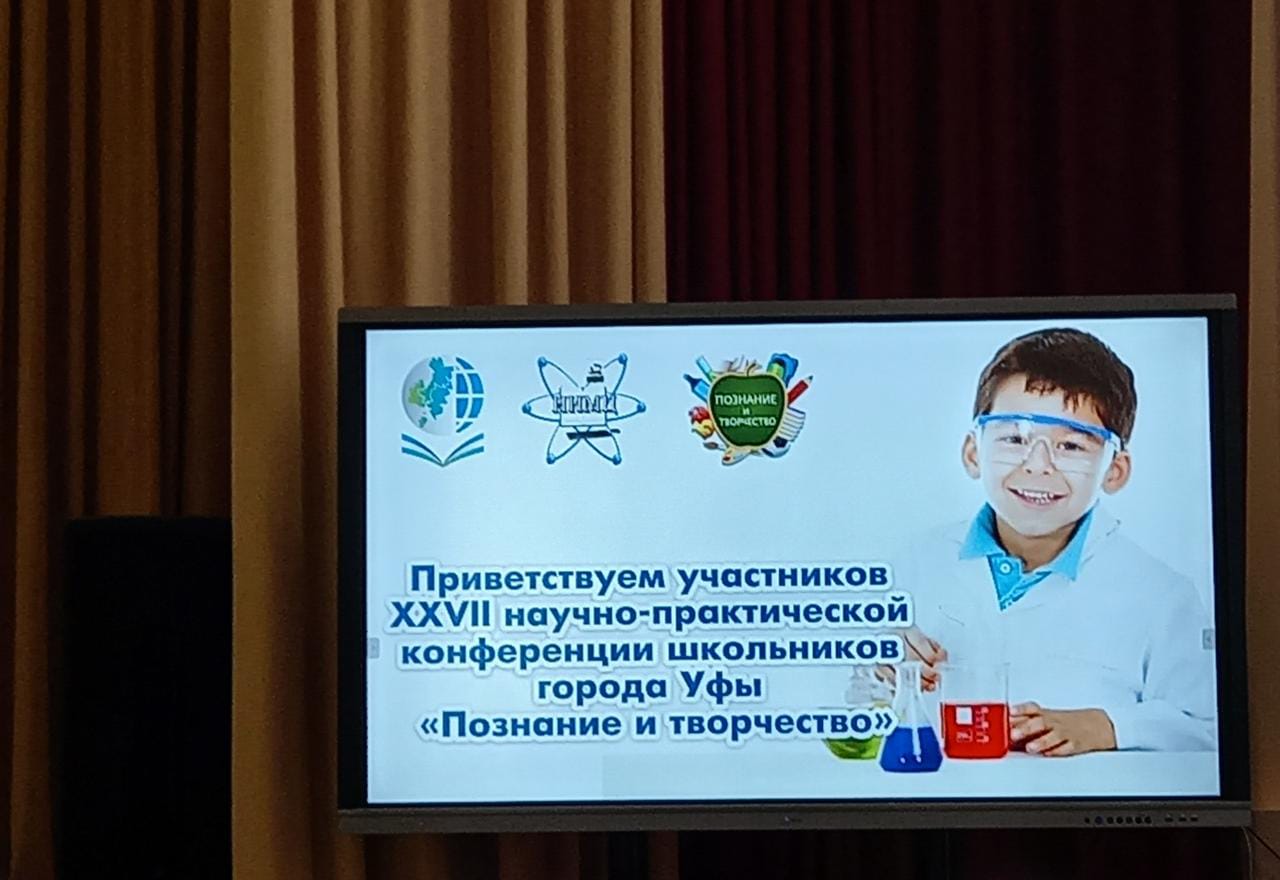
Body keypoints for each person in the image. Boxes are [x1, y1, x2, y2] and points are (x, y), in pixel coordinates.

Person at [892, 327, 1216, 755]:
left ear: (1115, 470)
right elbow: (843, 702)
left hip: (1083, 798)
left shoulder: (1164, 595)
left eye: (1071, 446)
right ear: (973, 453)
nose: (1038, 465)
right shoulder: (916, 563)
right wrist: (884, 675)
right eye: (1014, 439)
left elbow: (1208, 728)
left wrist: (1110, 726)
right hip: (940, 792)